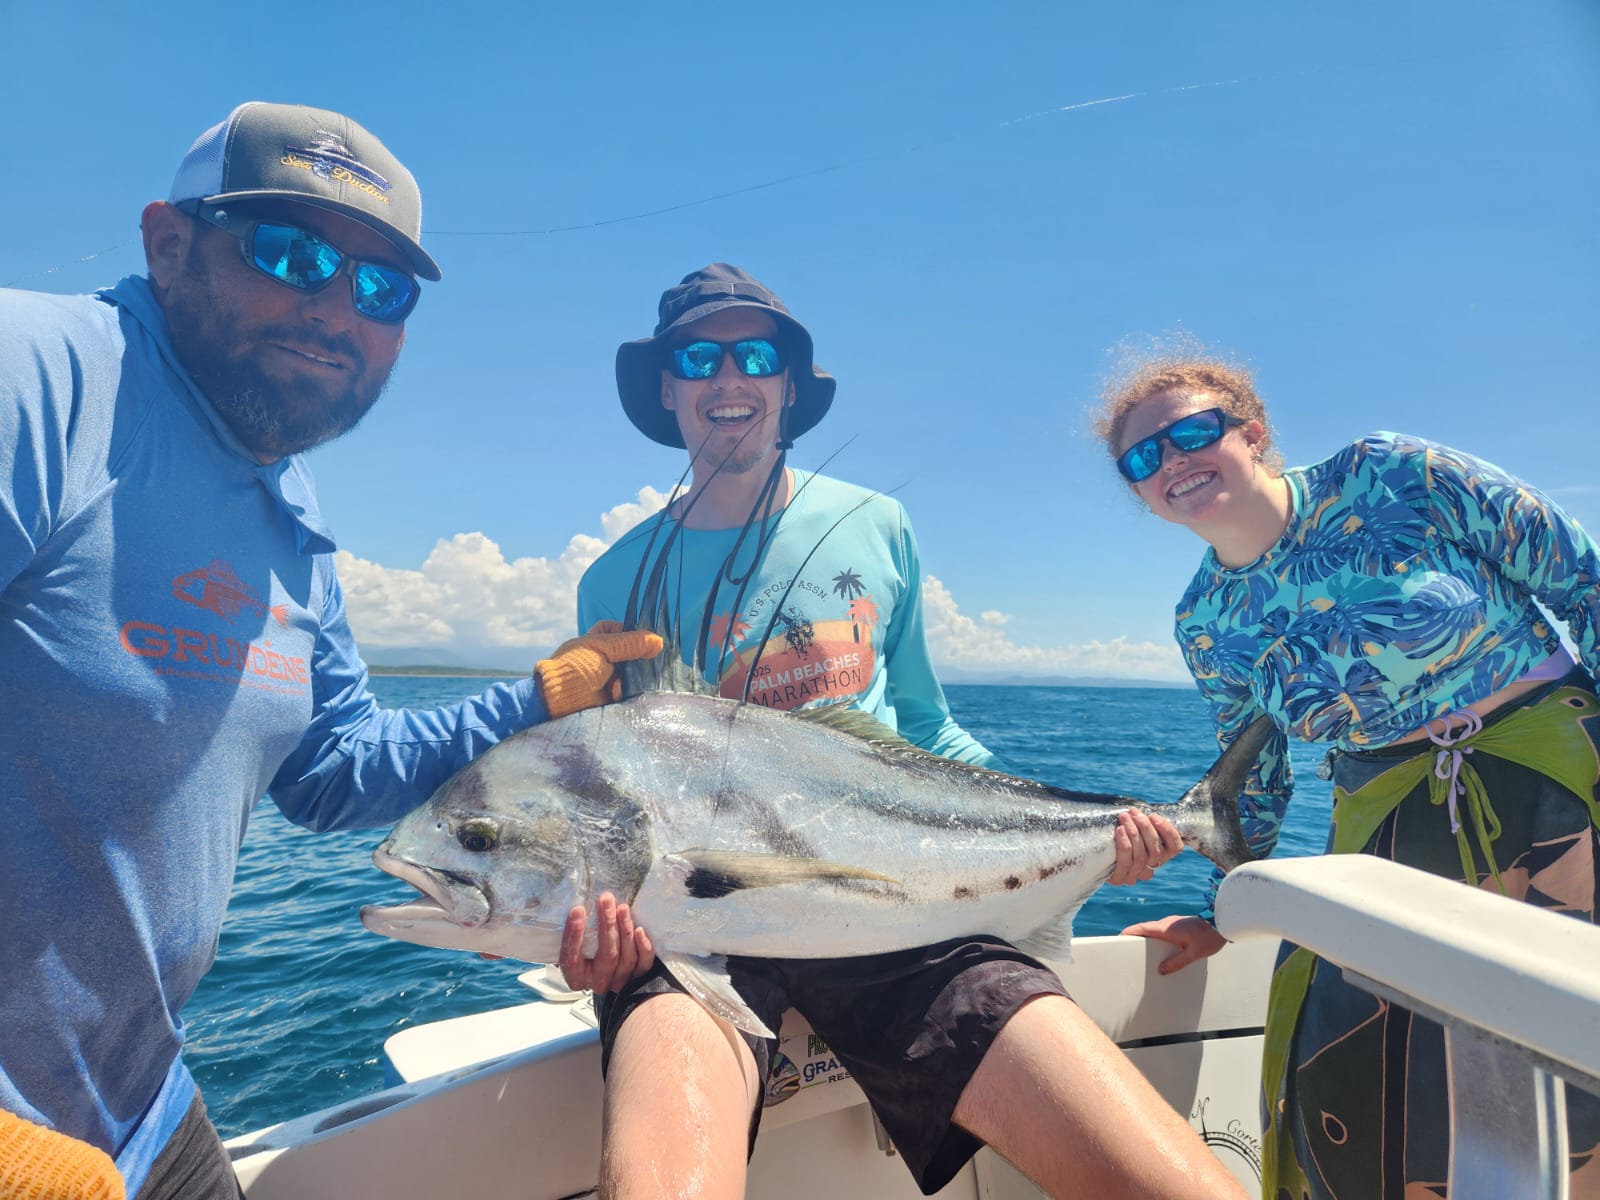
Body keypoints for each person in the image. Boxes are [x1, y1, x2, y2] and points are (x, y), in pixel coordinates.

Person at [0, 101, 658, 1200]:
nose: (335, 308)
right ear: (169, 243)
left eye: (381, 287)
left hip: (137, 1106)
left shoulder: (289, 514)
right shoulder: (40, 377)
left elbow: (331, 769)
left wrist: (541, 699)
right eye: (291, 252)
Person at [553, 264, 1249, 1200]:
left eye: (755, 356)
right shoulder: (613, 578)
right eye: (697, 358)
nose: (728, 378)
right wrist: (585, 923)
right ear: (667, 388)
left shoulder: (875, 525)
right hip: (697, 932)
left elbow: (925, 727)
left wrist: (1077, 829)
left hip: (898, 904)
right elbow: (612, 795)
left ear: (788, 385)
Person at [1095, 353, 1600, 1199]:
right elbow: (1251, 780)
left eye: (1193, 432)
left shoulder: (1391, 472)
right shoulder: (1204, 621)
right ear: (1143, 494)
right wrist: (1225, 909)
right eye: (1143, 458)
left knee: (1572, 1062)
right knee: (1353, 1086)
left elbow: (1583, 581)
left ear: (1252, 433)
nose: (1172, 459)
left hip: (1559, 776)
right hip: (1388, 823)